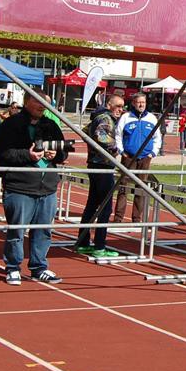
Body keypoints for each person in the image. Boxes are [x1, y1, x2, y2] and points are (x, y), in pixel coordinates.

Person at [0, 91, 69, 285]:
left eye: (46, 103)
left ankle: (39, 267)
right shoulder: (10, 125)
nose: (42, 106)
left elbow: (63, 153)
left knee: (43, 230)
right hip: (20, 187)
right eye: (38, 102)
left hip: (47, 187)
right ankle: (13, 267)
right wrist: (28, 156)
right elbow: (3, 154)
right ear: (27, 101)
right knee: (17, 231)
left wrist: (56, 155)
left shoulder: (51, 125)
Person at [75, 94, 125, 258]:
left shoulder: (98, 116)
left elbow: (85, 131)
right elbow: (101, 136)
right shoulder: (106, 118)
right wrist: (117, 147)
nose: (121, 109)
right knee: (105, 207)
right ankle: (99, 245)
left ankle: (83, 242)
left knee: (92, 204)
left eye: (122, 106)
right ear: (109, 105)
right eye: (118, 106)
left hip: (96, 163)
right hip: (102, 165)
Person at [113, 93, 161, 223]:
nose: (141, 105)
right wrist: (121, 151)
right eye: (138, 102)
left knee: (141, 188)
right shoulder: (125, 117)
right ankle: (118, 218)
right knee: (123, 187)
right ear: (133, 103)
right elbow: (118, 135)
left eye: (143, 102)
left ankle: (136, 218)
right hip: (128, 157)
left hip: (145, 158)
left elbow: (157, 138)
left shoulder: (152, 118)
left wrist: (153, 153)